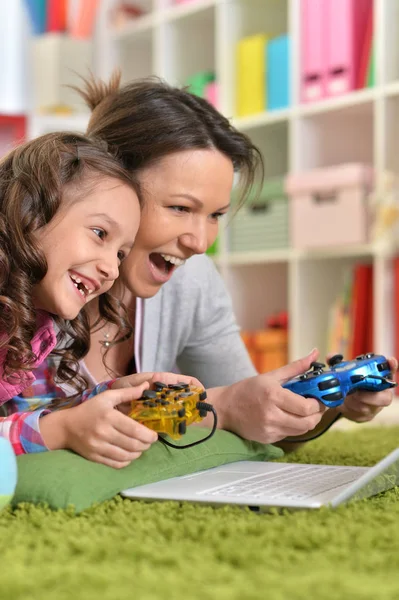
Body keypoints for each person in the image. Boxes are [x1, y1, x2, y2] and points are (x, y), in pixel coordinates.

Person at [76, 73, 396, 452]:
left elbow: (254, 422)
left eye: (215, 215)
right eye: (180, 208)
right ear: (108, 185)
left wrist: (329, 403)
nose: (200, 243)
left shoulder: (190, 279)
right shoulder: (29, 277)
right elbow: (36, 433)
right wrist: (219, 407)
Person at [0, 131, 199, 468]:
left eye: (121, 253)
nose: (111, 269)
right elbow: (48, 428)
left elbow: (29, 414)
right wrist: (61, 431)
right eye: (99, 234)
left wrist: (113, 396)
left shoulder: (40, 324)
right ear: (29, 211)